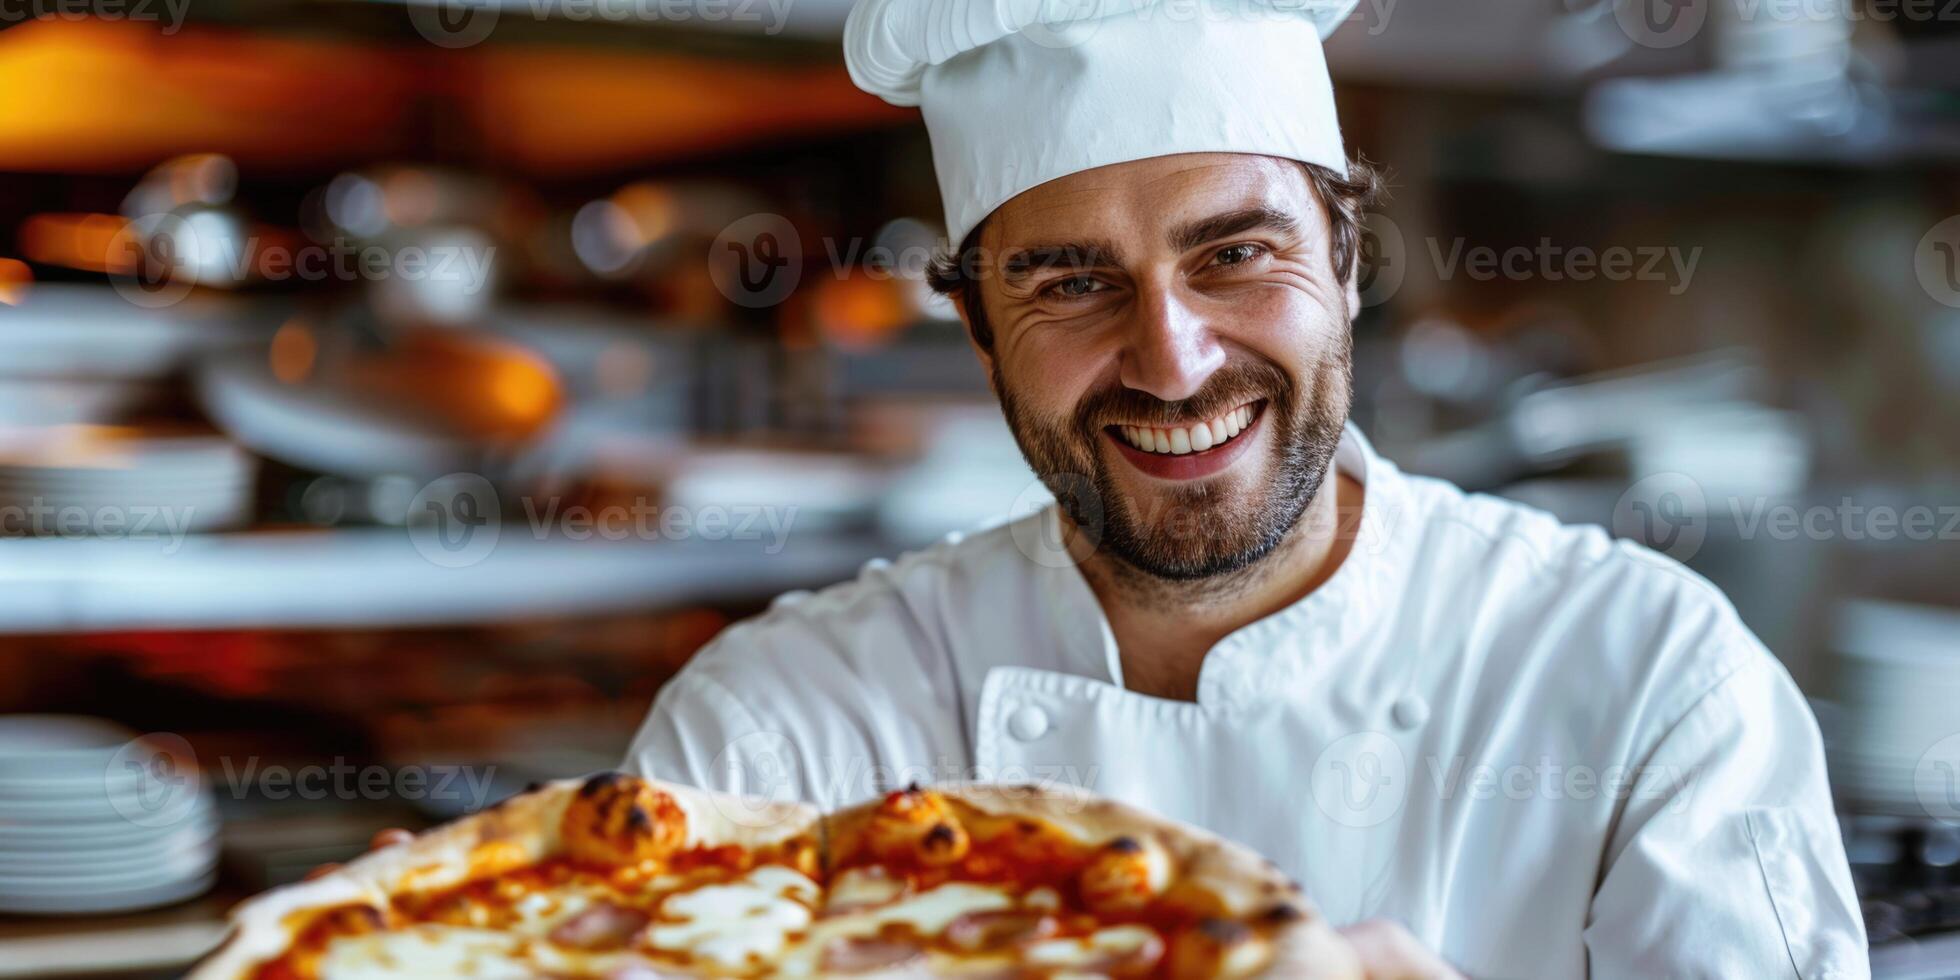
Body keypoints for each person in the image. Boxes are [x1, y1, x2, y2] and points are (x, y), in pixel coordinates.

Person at [625, 0, 1869, 974]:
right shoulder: (773, 739)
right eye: (1068, 283)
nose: (1173, 358)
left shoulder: (1650, 686)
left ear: (1342, 257)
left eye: (1235, 254)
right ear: (976, 329)